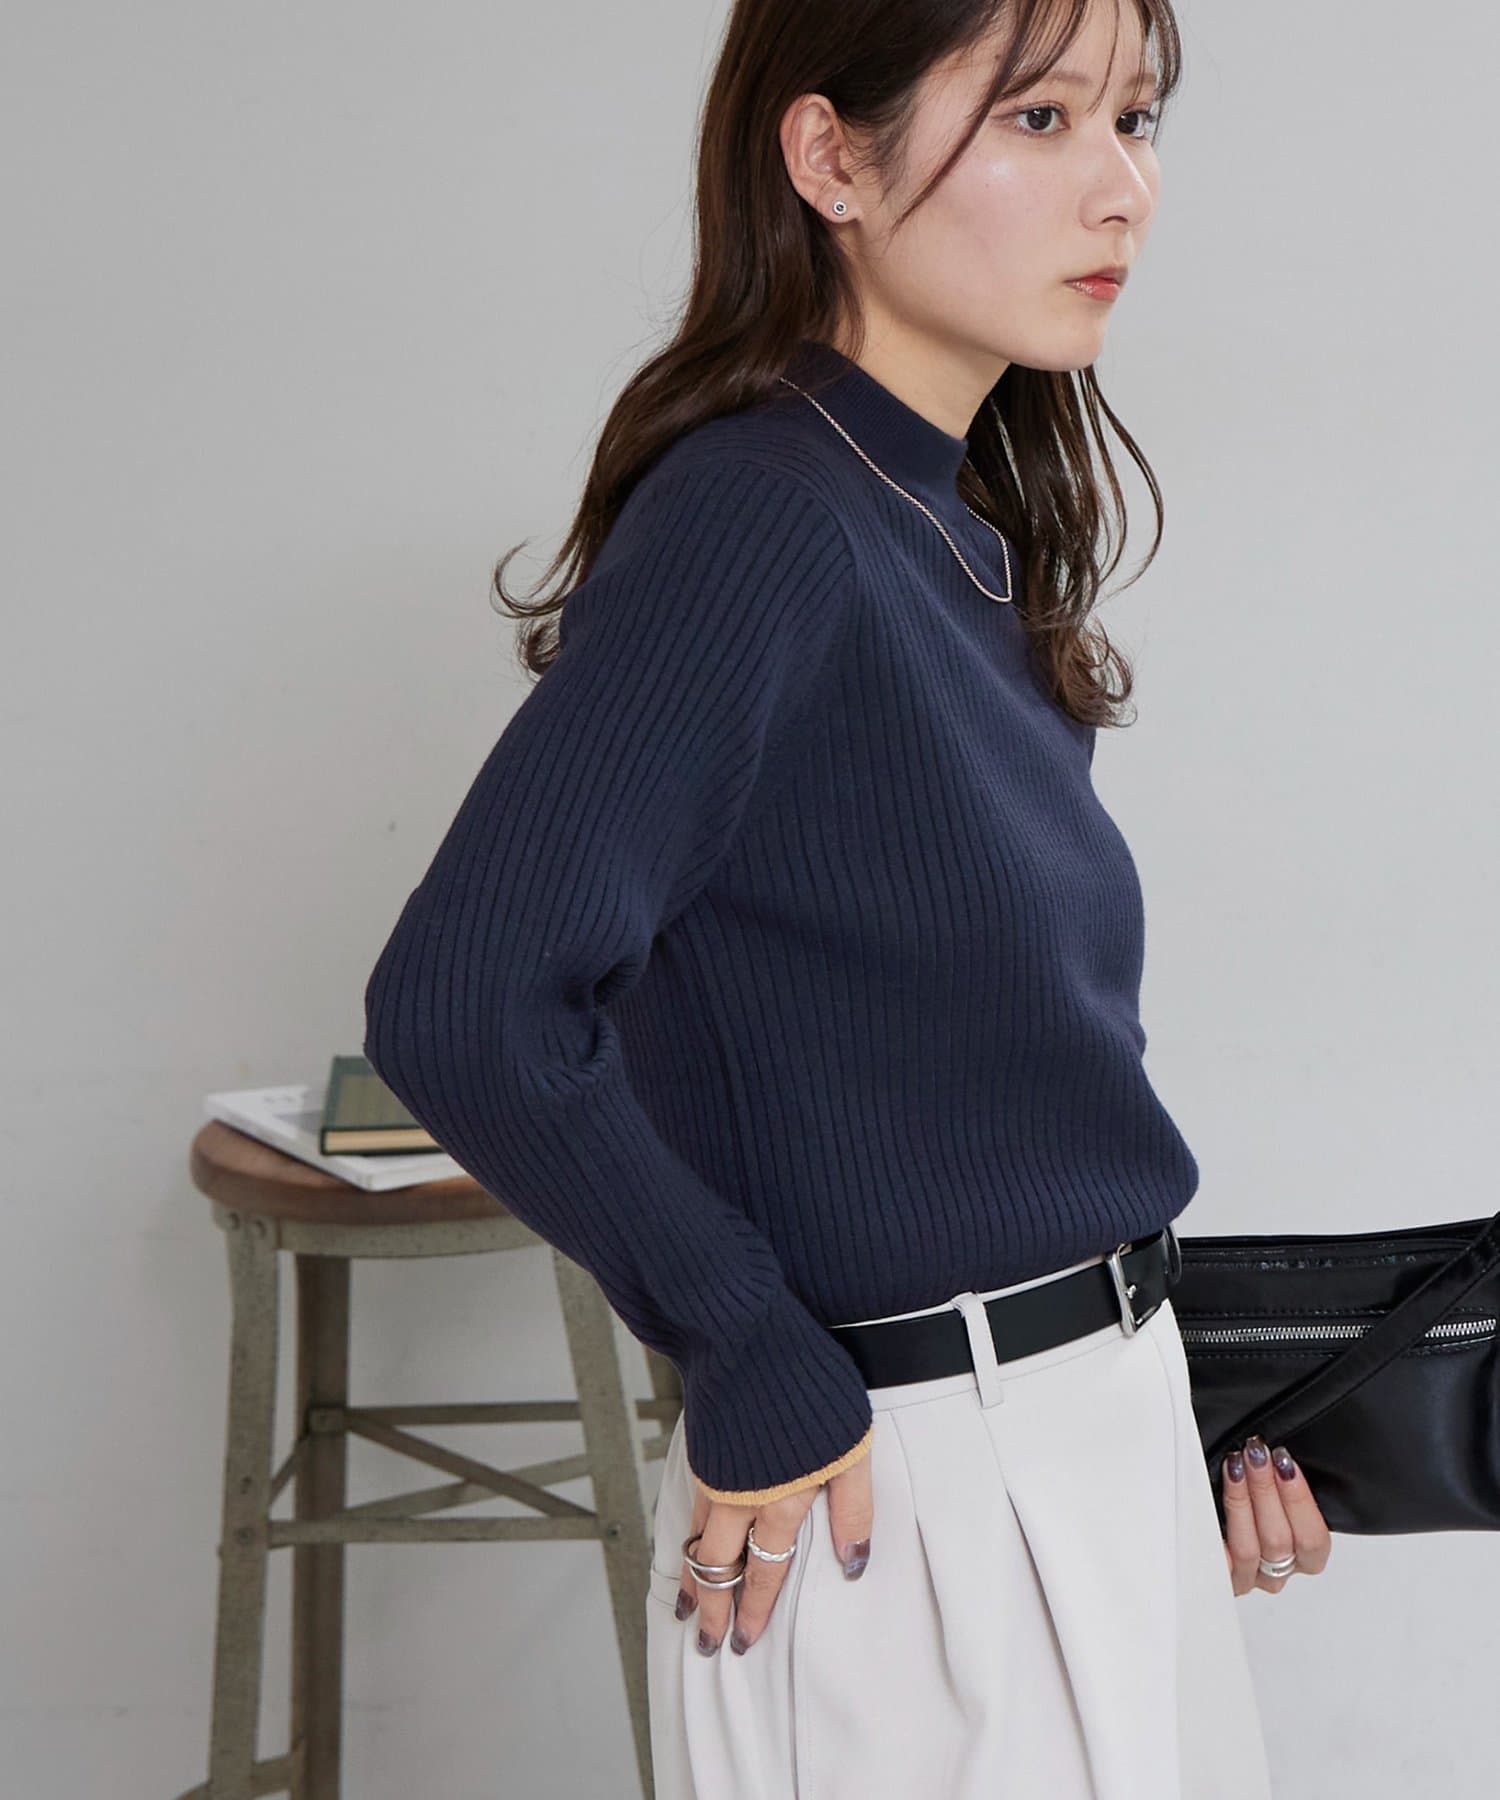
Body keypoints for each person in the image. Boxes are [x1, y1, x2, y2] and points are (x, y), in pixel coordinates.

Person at [362, 0, 1334, 1792]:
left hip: (1089, 1456)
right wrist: (745, 1347)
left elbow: (970, 1086)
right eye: (1039, 119)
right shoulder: (761, 517)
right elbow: (467, 1001)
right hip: (904, 1503)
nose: (1123, 187)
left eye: (1136, 119)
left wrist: (1163, 1387)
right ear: (830, 159)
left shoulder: (946, 528)